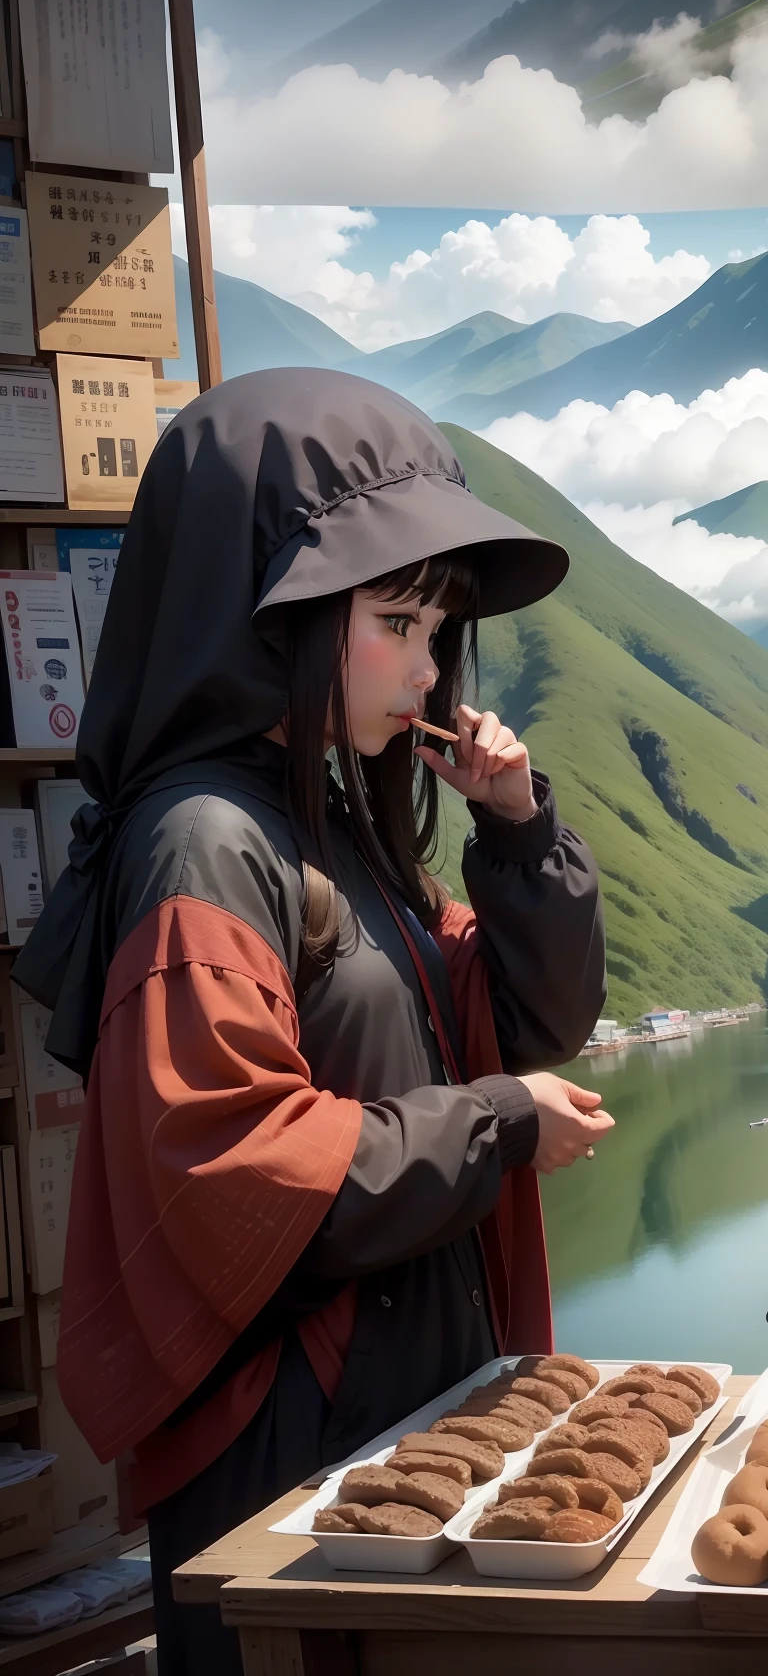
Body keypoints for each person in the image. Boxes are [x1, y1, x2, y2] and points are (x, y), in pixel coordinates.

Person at [17, 371, 616, 1674]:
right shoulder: (207, 846)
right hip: (294, 1441)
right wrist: (497, 1123)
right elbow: (241, 1171)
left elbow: (538, 1019)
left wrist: (519, 834)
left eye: (441, 626)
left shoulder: (336, 825)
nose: (430, 666)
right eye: (397, 620)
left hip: (399, 1400)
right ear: (265, 619)